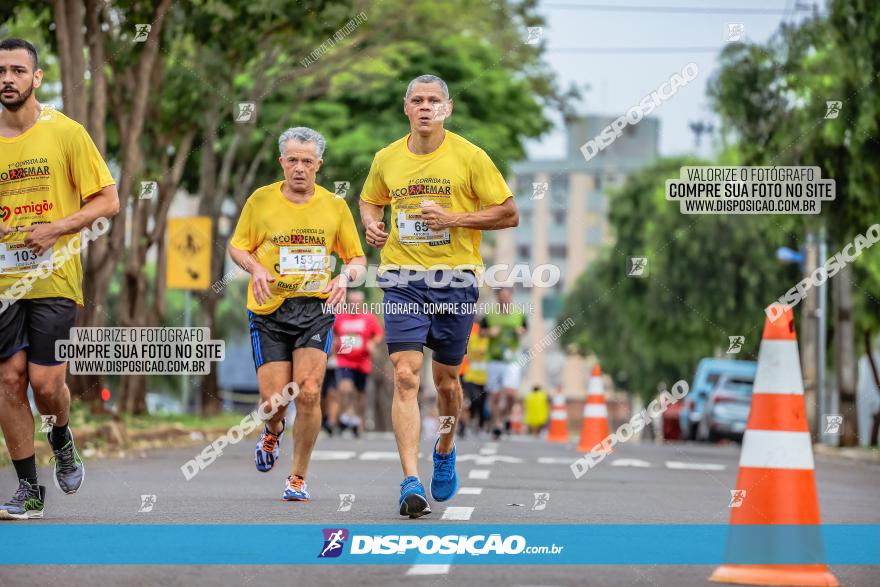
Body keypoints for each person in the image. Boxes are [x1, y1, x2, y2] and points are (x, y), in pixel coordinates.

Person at [359, 74, 518, 517]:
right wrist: (372, 223)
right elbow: (370, 198)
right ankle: (410, 480)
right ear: (406, 107)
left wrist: (453, 219)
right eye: (418, 100)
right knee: (406, 374)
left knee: (447, 381)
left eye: (434, 100)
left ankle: (445, 448)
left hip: (455, 280)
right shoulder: (386, 158)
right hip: (401, 277)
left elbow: (508, 212)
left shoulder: (470, 156)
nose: (426, 106)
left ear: (447, 109)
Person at [0, 39, 119, 520]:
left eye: (16, 70)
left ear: (36, 78)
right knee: (9, 380)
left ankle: (61, 433)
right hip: (3, 280)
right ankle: (29, 490)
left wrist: (57, 228)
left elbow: (107, 201)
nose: (7, 78)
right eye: (0, 71)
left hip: (53, 276)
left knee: (47, 386)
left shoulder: (66, 132)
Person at [229, 127, 366, 502]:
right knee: (275, 403)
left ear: (319, 165)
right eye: (293, 160)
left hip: (316, 308)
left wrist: (345, 276)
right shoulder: (261, 201)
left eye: (307, 161)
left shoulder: (335, 206)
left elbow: (357, 258)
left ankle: (297, 478)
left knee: (308, 393)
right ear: (282, 163)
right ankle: (272, 431)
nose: (300, 168)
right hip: (270, 310)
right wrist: (255, 267)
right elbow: (238, 247)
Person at [332, 289, 383, 437]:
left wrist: (372, 343)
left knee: (360, 395)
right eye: (352, 302)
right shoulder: (340, 317)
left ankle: (358, 420)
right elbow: (333, 332)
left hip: (363, 361)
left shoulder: (368, 317)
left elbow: (379, 334)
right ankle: (343, 417)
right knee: (345, 389)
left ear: (361, 303)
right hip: (345, 359)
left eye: (357, 302)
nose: (355, 305)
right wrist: (334, 344)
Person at [483, 287, 527, 439]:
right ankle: (497, 424)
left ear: (511, 297)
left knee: (510, 393)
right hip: (494, 359)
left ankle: (506, 416)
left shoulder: (519, 313)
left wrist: (521, 331)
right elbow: (481, 332)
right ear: (497, 298)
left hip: (512, 360)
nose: (504, 299)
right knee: (494, 395)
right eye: (502, 296)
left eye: (507, 296)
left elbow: (525, 328)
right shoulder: (490, 315)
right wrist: (489, 332)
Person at [460, 319, 489, 437]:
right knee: (471, 399)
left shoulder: (489, 341)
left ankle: (480, 426)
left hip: (485, 378)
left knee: (482, 403)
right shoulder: (471, 338)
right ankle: (465, 424)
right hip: (470, 375)